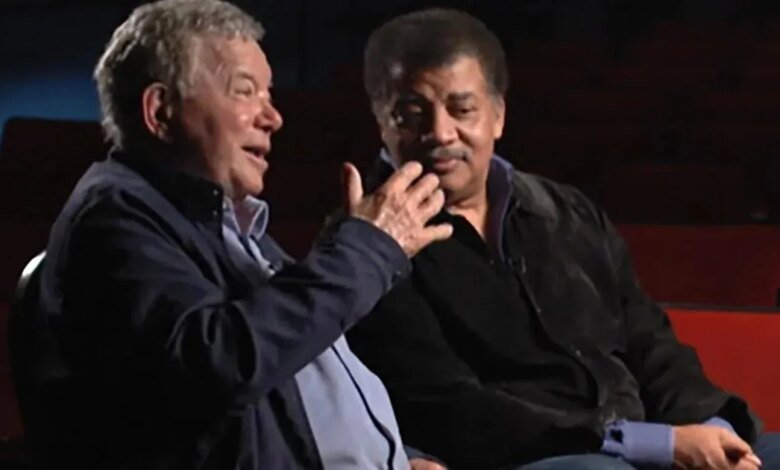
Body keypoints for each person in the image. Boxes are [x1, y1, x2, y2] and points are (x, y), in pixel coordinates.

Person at [347, 8, 780, 470]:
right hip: (526, 455)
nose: (440, 132)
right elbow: (448, 406)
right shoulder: (367, 245)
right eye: (412, 115)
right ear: (382, 123)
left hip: (647, 439)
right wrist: (654, 444)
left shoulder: (566, 210)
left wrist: (714, 430)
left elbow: (650, 342)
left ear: (498, 116)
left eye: (462, 110)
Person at [30, 0, 452, 468]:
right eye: (245, 91)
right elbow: (219, 363)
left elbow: (308, 385)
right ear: (160, 111)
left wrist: (400, 455)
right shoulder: (114, 216)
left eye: (268, 94)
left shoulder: (220, 220)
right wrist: (365, 251)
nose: (273, 117)